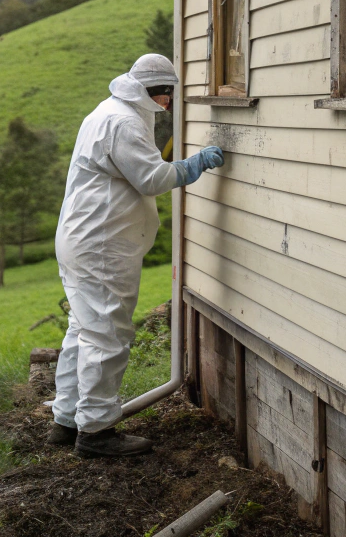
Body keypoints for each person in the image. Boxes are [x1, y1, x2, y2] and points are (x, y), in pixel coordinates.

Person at [48, 53, 224, 458]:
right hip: (102, 246)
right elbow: (150, 178)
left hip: (84, 239)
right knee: (107, 335)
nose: (167, 104)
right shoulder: (124, 121)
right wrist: (193, 165)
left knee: (84, 329)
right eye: (165, 96)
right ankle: (95, 432)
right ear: (153, 91)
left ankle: (66, 419)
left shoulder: (111, 110)